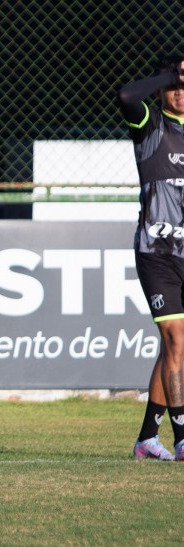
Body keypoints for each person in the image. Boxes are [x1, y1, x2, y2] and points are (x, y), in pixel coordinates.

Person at [118, 54, 184, 462]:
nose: (181, 92)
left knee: (174, 348)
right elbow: (126, 95)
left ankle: (146, 437)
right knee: (177, 340)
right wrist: (168, 74)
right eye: (175, 85)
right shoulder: (152, 128)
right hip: (157, 254)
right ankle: (182, 439)